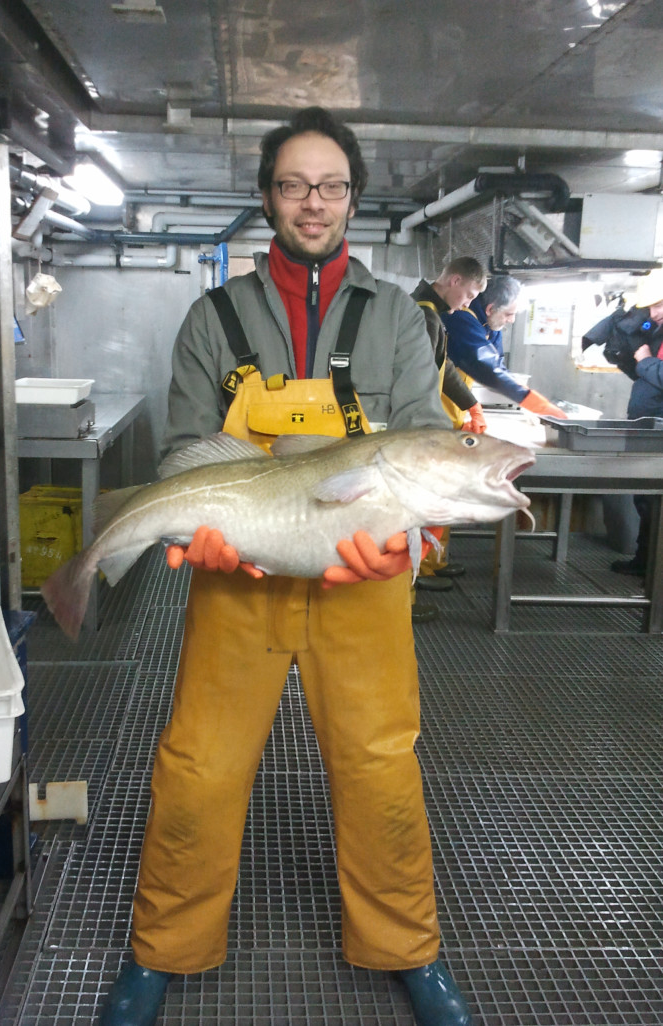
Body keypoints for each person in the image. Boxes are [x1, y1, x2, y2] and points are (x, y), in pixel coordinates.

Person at [98, 106, 473, 1026]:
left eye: (333, 185)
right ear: (268, 196)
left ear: (354, 196)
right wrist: (201, 540)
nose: (315, 202)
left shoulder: (397, 318)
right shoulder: (212, 317)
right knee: (199, 766)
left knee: (382, 766)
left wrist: (407, 538)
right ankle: (163, 949)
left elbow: (426, 448)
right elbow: (187, 449)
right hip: (242, 580)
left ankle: (407, 947)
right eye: (296, 184)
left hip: (364, 585)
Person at [409, 258, 488, 609]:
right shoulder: (422, 314)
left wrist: (472, 404)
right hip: (418, 426)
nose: (468, 303)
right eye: (469, 294)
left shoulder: (432, 314)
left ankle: (421, 572)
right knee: (417, 507)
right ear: (454, 280)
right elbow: (418, 380)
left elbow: (444, 366)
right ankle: (410, 587)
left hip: (426, 423)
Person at [441, 275, 566, 419]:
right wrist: (537, 404)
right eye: (509, 314)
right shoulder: (460, 318)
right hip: (436, 409)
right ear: (490, 309)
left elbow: (498, 366)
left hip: (456, 409)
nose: (512, 320)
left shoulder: (491, 325)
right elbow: (487, 367)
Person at [608, 269, 663, 577]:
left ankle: (652, 568)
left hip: (659, 428)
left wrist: (645, 362)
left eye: (659, 305)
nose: (653, 314)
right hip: (649, 425)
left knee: (654, 497)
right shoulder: (657, 332)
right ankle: (646, 562)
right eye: (650, 307)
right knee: (647, 497)